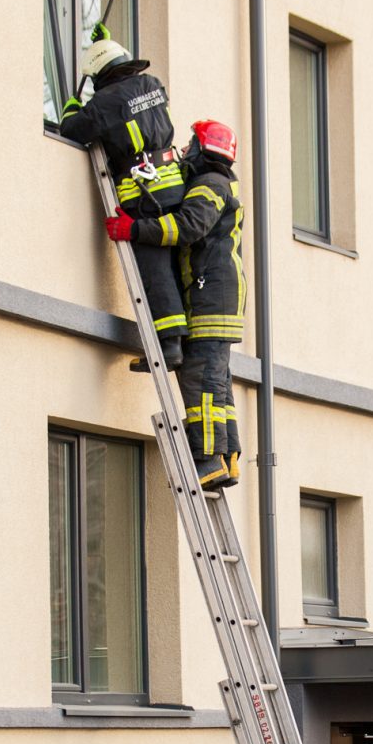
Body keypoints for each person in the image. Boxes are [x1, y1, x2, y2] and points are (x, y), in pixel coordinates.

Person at [106, 119, 246, 490]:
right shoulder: (219, 183)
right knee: (217, 384)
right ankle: (228, 458)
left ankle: (208, 459)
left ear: (203, 150)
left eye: (190, 146)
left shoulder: (210, 185)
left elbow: (187, 227)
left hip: (209, 298)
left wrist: (134, 230)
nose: (185, 151)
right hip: (219, 297)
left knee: (200, 380)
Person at [60, 25, 187, 371]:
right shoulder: (152, 85)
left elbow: (72, 129)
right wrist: (103, 44)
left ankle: (169, 349)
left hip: (143, 196)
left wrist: (73, 108)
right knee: (175, 267)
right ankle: (181, 339)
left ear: (100, 74)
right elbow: (134, 107)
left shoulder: (105, 102)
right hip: (174, 186)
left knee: (154, 269)